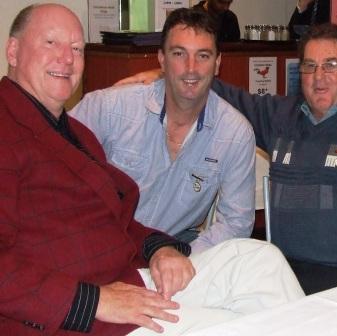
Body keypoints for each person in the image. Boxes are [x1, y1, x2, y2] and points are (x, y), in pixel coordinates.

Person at [0, 3, 304, 335]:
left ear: (217, 63)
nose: (67, 57)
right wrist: (95, 301)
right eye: (50, 43)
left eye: (76, 48)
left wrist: (160, 248)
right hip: (82, 307)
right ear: (13, 51)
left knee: (263, 262)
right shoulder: (97, 112)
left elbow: (117, 216)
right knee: (240, 326)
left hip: (131, 271)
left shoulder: (72, 133)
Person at [117, 23, 337, 294]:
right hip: (280, 273)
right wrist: (167, 74)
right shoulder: (281, 117)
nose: (318, 76)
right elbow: (222, 94)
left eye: (331, 65)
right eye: (309, 66)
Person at [70, 8, 256, 253]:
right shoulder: (108, 109)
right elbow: (53, 163)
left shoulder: (235, 134)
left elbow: (236, 224)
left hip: (174, 248)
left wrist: (183, 258)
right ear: (161, 59)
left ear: (218, 63)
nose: (191, 68)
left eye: (203, 56)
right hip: (100, 246)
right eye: (179, 54)